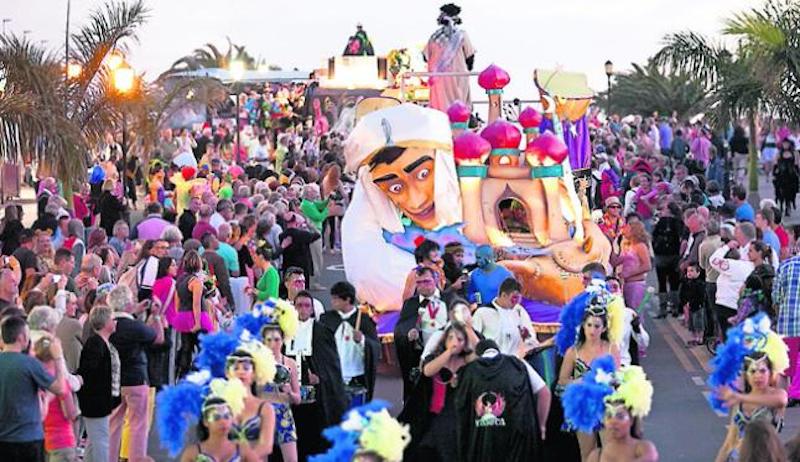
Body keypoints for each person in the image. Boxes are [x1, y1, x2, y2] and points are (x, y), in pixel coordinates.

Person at [455, 339, 550, 462]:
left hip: (481, 443)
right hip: (515, 439)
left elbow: (461, 409)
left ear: (478, 354)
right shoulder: (517, 364)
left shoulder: (468, 371)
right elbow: (544, 392)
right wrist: (541, 427)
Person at [285, 291, 348, 460]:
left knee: (313, 434)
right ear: (294, 307)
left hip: (316, 397)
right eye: (299, 305)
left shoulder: (322, 332)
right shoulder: (284, 331)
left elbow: (331, 365)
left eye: (307, 306)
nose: (303, 309)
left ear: (312, 309)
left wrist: (320, 377)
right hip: (290, 394)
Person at [399, 322, 474, 461]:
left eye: (459, 339)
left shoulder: (468, 362)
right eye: (450, 338)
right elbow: (428, 371)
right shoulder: (435, 357)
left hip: (458, 413)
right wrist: (449, 352)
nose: (454, 342)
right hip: (433, 413)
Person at [107, 284, 163, 462]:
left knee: (113, 423)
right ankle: (136, 457)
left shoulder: (107, 326)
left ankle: (109, 457)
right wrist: (156, 316)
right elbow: (158, 338)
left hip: (114, 381)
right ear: (128, 304)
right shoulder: (135, 327)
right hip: (136, 380)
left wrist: (135, 311)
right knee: (137, 423)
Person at [0, 315, 67, 462]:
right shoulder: (30, 364)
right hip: (29, 438)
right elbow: (61, 388)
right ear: (22, 337)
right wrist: (58, 357)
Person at [715, 351, 788, 462]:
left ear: (770, 373)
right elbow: (729, 442)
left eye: (762, 371)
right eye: (753, 371)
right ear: (746, 375)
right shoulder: (739, 403)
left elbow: (781, 401)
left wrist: (739, 397)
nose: (758, 376)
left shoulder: (778, 395)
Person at [395, 266, 452, 401]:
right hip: (418, 356)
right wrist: (407, 334)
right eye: (418, 282)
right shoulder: (410, 304)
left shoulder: (449, 300)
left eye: (426, 281)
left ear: (436, 280)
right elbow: (400, 328)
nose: (422, 286)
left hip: (444, 356)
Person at [319, 281, 380, 401]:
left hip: (356, 375)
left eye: (336, 298)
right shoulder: (327, 318)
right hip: (333, 374)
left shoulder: (364, 321)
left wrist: (362, 340)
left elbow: (375, 347)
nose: (332, 302)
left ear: (347, 299)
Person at [225, 347, 276, 460]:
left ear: (253, 374)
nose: (240, 372)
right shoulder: (222, 407)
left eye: (246, 368)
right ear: (228, 374)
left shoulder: (265, 408)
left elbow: (266, 446)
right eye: (236, 368)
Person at [424, 3, 476, 111]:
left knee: (440, 104)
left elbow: (425, 56)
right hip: (458, 76)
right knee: (459, 104)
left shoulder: (435, 37)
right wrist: (467, 68)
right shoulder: (461, 35)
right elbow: (470, 56)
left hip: (438, 78)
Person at [260, 324, 300, 461]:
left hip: (284, 416)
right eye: (269, 340)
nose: (273, 344)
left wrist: (289, 392)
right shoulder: (258, 364)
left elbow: (297, 399)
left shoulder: (290, 363)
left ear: (283, 340)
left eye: (276, 340)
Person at [472, 277, 538, 356]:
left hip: (514, 360)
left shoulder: (519, 311)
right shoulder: (482, 312)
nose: (516, 302)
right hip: (490, 360)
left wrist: (526, 337)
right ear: (503, 295)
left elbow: (531, 338)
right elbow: (474, 339)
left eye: (519, 298)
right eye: (514, 298)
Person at [178, 396, 257, 462]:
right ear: (205, 422)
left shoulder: (242, 450)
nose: (223, 422)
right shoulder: (192, 453)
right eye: (216, 418)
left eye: (226, 417)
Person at [175, 250, 214, 378]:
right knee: (205, 348)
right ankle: (204, 375)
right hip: (197, 317)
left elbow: (177, 301)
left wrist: (178, 317)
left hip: (182, 316)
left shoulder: (180, 280)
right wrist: (197, 322)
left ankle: (182, 376)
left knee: (186, 348)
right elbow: (196, 304)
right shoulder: (196, 282)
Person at [774, 252, 800, 404]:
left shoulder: (785, 265)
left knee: (784, 370)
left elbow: (776, 297)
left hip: (788, 325)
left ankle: (782, 402)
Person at [611, 221, 652, 312]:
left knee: (635, 312)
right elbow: (615, 262)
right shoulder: (628, 246)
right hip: (626, 284)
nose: (624, 230)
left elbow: (647, 266)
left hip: (636, 284)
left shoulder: (640, 246)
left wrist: (629, 273)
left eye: (627, 228)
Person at [653, 201, 684, 318]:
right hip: (675, 255)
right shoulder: (679, 223)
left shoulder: (661, 222)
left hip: (661, 255)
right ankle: (675, 307)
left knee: (662, 283)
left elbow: (654, 236)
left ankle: (663, 309)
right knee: (674, 282)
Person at [680, 263, 707, 346]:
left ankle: (700, 337)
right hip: (689, 306)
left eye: (692, 271)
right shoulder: (686, 283)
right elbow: (682, 293)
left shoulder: (700, 284)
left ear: (698, 273)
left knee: (698, 322)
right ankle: (694, 337)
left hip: (697, 306)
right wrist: (684, 302)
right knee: (691, 323)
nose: (689, 273)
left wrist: (698, 303)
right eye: (688, 271)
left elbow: (701, 296)